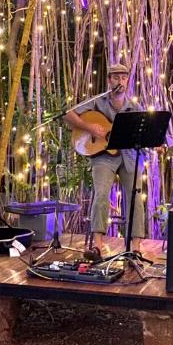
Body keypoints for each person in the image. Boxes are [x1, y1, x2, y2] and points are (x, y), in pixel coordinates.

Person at [65, 63, 145, 255]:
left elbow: (143, 133)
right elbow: (69, 115)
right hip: (103, 157)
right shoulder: (97, 103)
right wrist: (90, 127)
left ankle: (135, 248)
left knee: (135, 197)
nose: (120, 82)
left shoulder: (134, 107)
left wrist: (156, 145)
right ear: (109, 80)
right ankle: (98, 245)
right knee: (101, 194)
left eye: (124, 78)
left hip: (129, 156)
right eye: (116, 77)